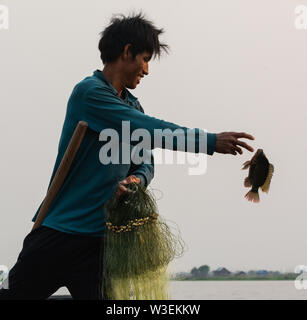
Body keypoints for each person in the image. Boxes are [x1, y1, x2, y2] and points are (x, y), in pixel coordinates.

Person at [0, 12, 254, 300]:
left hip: (101, 243)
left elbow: (146, 160)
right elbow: (147, 129)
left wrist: (137, 179)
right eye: (144, 58)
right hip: (60, 233)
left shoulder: (133, 105)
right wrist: (208, 141)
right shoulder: (90, 94)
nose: (146, 69)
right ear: (126, 52)